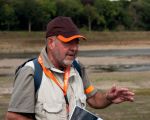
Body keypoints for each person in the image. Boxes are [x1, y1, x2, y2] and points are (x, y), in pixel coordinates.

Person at [6, 16, 134, 120]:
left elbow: (93, 99)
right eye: (68, 42)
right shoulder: (31, 72)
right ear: (51, 43)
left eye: (77, 42)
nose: (74, 48)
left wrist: (108, 98)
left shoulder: (78, 67)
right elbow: (14, 117)